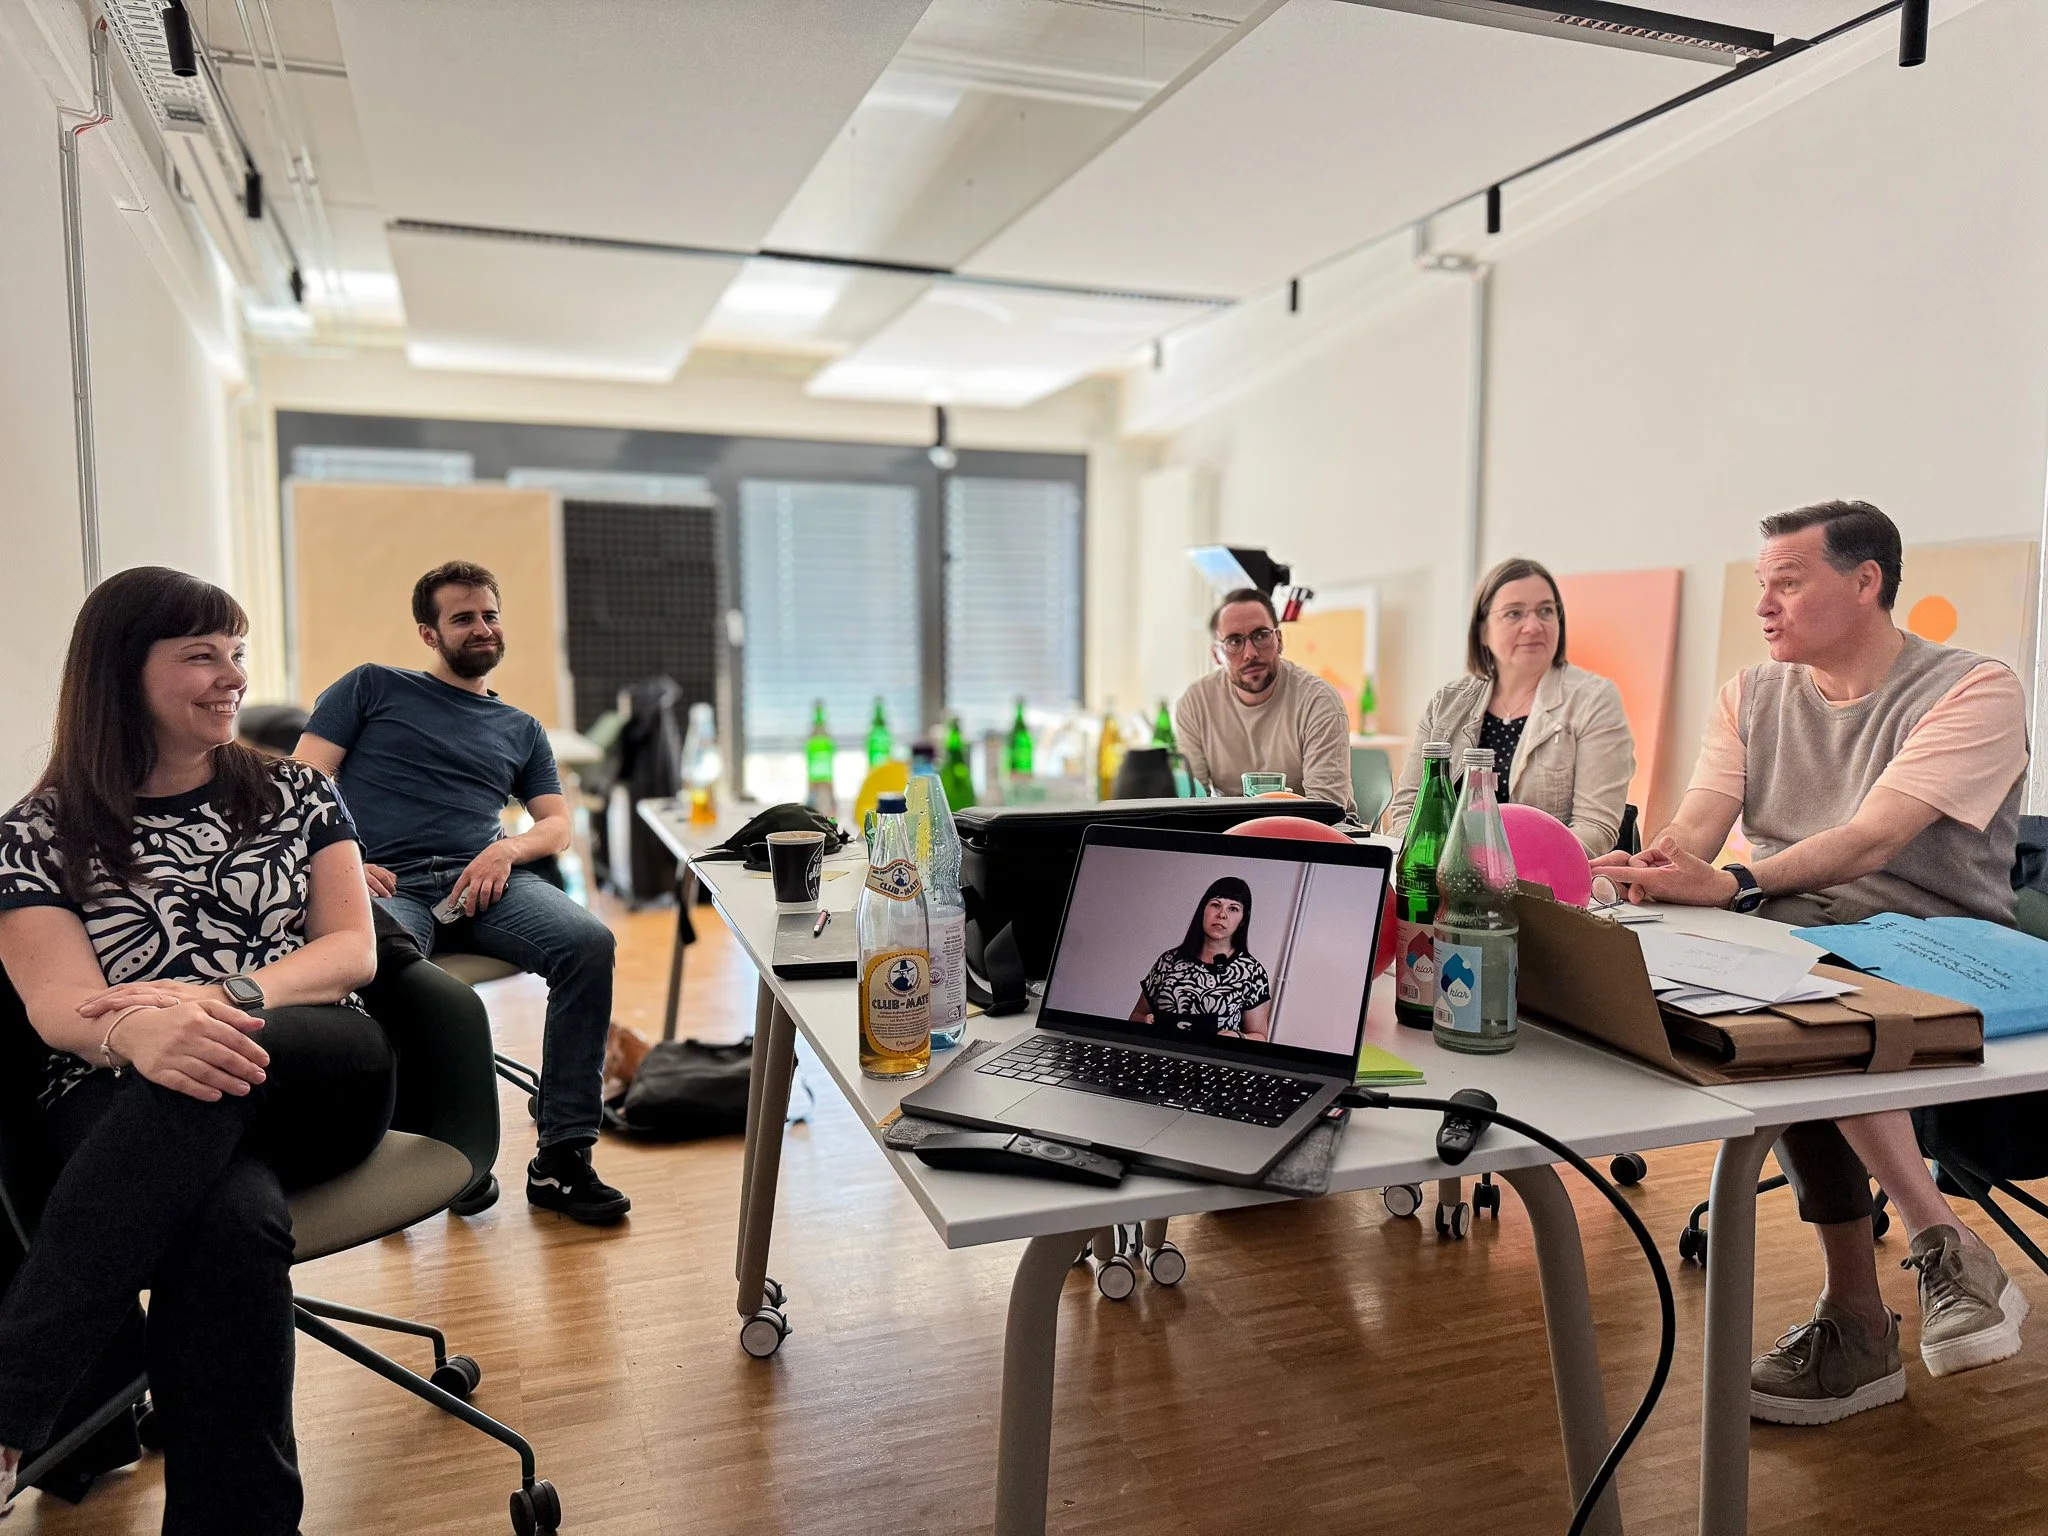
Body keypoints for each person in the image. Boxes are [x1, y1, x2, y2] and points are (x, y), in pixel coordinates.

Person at [1595, 500, 2031, 1426]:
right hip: (1789, 939)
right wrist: (1648, 869)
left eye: (1787, 583)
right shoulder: (1750, 694)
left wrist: (1735, 883)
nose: (1765, 606)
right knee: (1773, 994)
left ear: (1866, 582)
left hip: (1936, 949)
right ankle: (1904, 1278)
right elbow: (1698, 830)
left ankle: (1889, 1289)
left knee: (1798, 1000)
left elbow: (1872, 841)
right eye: (1762, 585)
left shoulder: (1976, 689)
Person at [0, 567, 388, 1532]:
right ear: (121, 674)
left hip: (315, 1062)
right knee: (226, 1227)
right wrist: (139, 1030)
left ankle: (10, 1408)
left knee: (206, 1072)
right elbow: (57, 1008)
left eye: (236, 653)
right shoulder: (35, 834)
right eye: (200, 656)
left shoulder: (300, 795)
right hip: (119, 1084)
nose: (232, 678)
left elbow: (352, 949)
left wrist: (218, 998)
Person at [297, 561, 629, 1226]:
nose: (482, 628)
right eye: (463, 618)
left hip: (486, 881)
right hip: (386, 880)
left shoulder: (521, 728)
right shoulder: (372, 688)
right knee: (388, 968)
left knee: (589, 944)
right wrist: (344, 860)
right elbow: (300, 783)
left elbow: (557, 824)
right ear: (429, 634)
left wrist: (507, 848)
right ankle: (444, 1151)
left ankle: (563, 1158)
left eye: (490, 614)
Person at [1386, 557, 1634, 855]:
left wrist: (1496, 869)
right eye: (1514, 614)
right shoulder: (1447, 702)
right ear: (1483, 632)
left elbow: (1594, 829)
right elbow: (1407, 809)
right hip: (1444, 879)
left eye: (1545, 611)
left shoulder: (1594, 700)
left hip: (1543, 886)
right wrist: (1433, 862)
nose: (1533, 626)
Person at [1174, 589, 1356, 814]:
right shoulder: (1195, 704)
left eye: (1261, 635)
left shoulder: (1318, 702)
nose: (1250, 653)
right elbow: (1193, 804)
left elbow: (1326, 811)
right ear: (1216, 655)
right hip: (1231, 837)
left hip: (1310, 837)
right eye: (1234, 641)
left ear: (1279, 640)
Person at [1129, 876, 1272, 1040]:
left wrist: (1239, 1037)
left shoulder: (1252, 972)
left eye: (1233, 908)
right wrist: (1145, 1020)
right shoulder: (1169, 960)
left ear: (1242, 920)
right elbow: (1136, 1015)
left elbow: (1260, 1036)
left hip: (1213, 1061)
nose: (1222, 914)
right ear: (1203, 910)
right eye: (1215, 905)